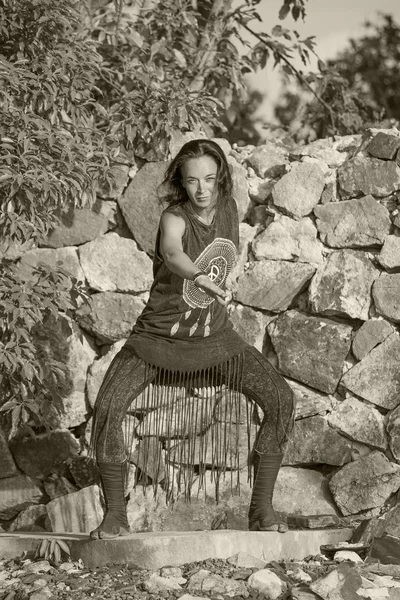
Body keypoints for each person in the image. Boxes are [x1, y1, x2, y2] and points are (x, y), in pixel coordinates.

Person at [89, 139, 294, 540]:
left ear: (222, 180)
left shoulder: (231, 210)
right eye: (192, 181)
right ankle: (115, 516)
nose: (202, 189)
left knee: (281, 398)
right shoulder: (174, 217)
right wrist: (199, 276)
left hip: (215, 339)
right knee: (109, 409)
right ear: (182, 183)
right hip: (156, 340)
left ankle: (262, 509)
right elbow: (171, 251)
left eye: (210, 179)